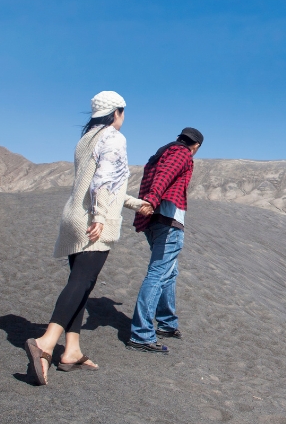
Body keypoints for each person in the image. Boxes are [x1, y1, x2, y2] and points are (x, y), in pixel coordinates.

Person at [26, 91, 154, 385]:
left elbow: (104, 184)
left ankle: (71, 351)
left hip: (73, 216)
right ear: (117, 112)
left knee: (81, 283)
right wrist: (99, 216)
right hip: (92, 221)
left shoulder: (86, 139)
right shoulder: (113, 137)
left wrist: (136, 203)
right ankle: (46, 343)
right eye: (123, 113)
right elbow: (103, 181)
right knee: (82, 282)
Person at [126, 127, 203, 353]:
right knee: (158, 274)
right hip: (168, 222)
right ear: (196, 146)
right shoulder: (181, 154)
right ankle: (141, 335)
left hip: (154, 222)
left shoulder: (161, 153)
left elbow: (157, 176)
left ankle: (167, 323)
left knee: (169, 272)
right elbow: (164, 177)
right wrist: (150, 199)